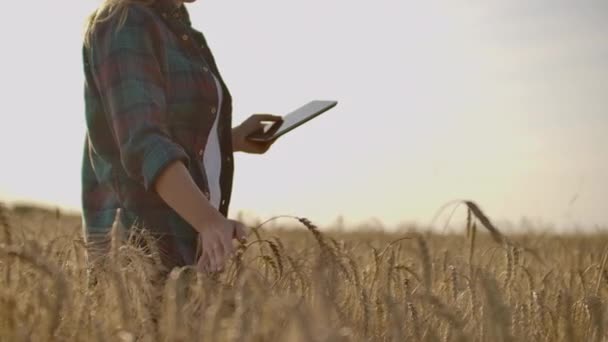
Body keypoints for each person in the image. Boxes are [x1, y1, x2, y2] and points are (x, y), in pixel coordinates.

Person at [81, 0, 282, 273]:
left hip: (188, 250)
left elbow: (170, 133)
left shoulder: (175, 26)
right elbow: (144, 143)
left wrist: (227, 139)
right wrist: (209, 221)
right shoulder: (124, 25)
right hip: (141, 258)